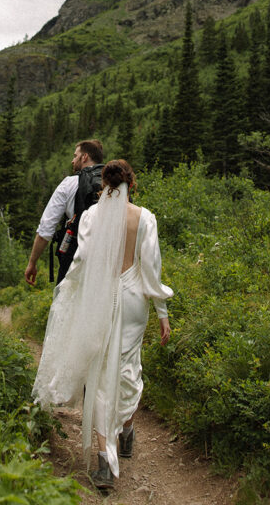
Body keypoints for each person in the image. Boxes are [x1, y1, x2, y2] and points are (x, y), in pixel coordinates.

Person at [32, 160, 172, 491]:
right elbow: (151, 270)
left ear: (102, 186)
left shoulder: (91, 216)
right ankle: (126, 430)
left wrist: (67, 291)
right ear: (132, 184)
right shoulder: (145, 219)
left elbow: (81, 262)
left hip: (99, 298)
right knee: (128, 367)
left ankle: (105, 463)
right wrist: (163, 313)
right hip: (135, 299)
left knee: (98, 377)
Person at [24, 139, 104, 286]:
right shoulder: (113, 183)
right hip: (107, 259)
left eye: (75, 156)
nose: (73, 161)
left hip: (76, 259)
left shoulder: (70, 183)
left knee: (64, 305)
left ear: (84, 157)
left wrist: (32, 263)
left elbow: (46, 228)